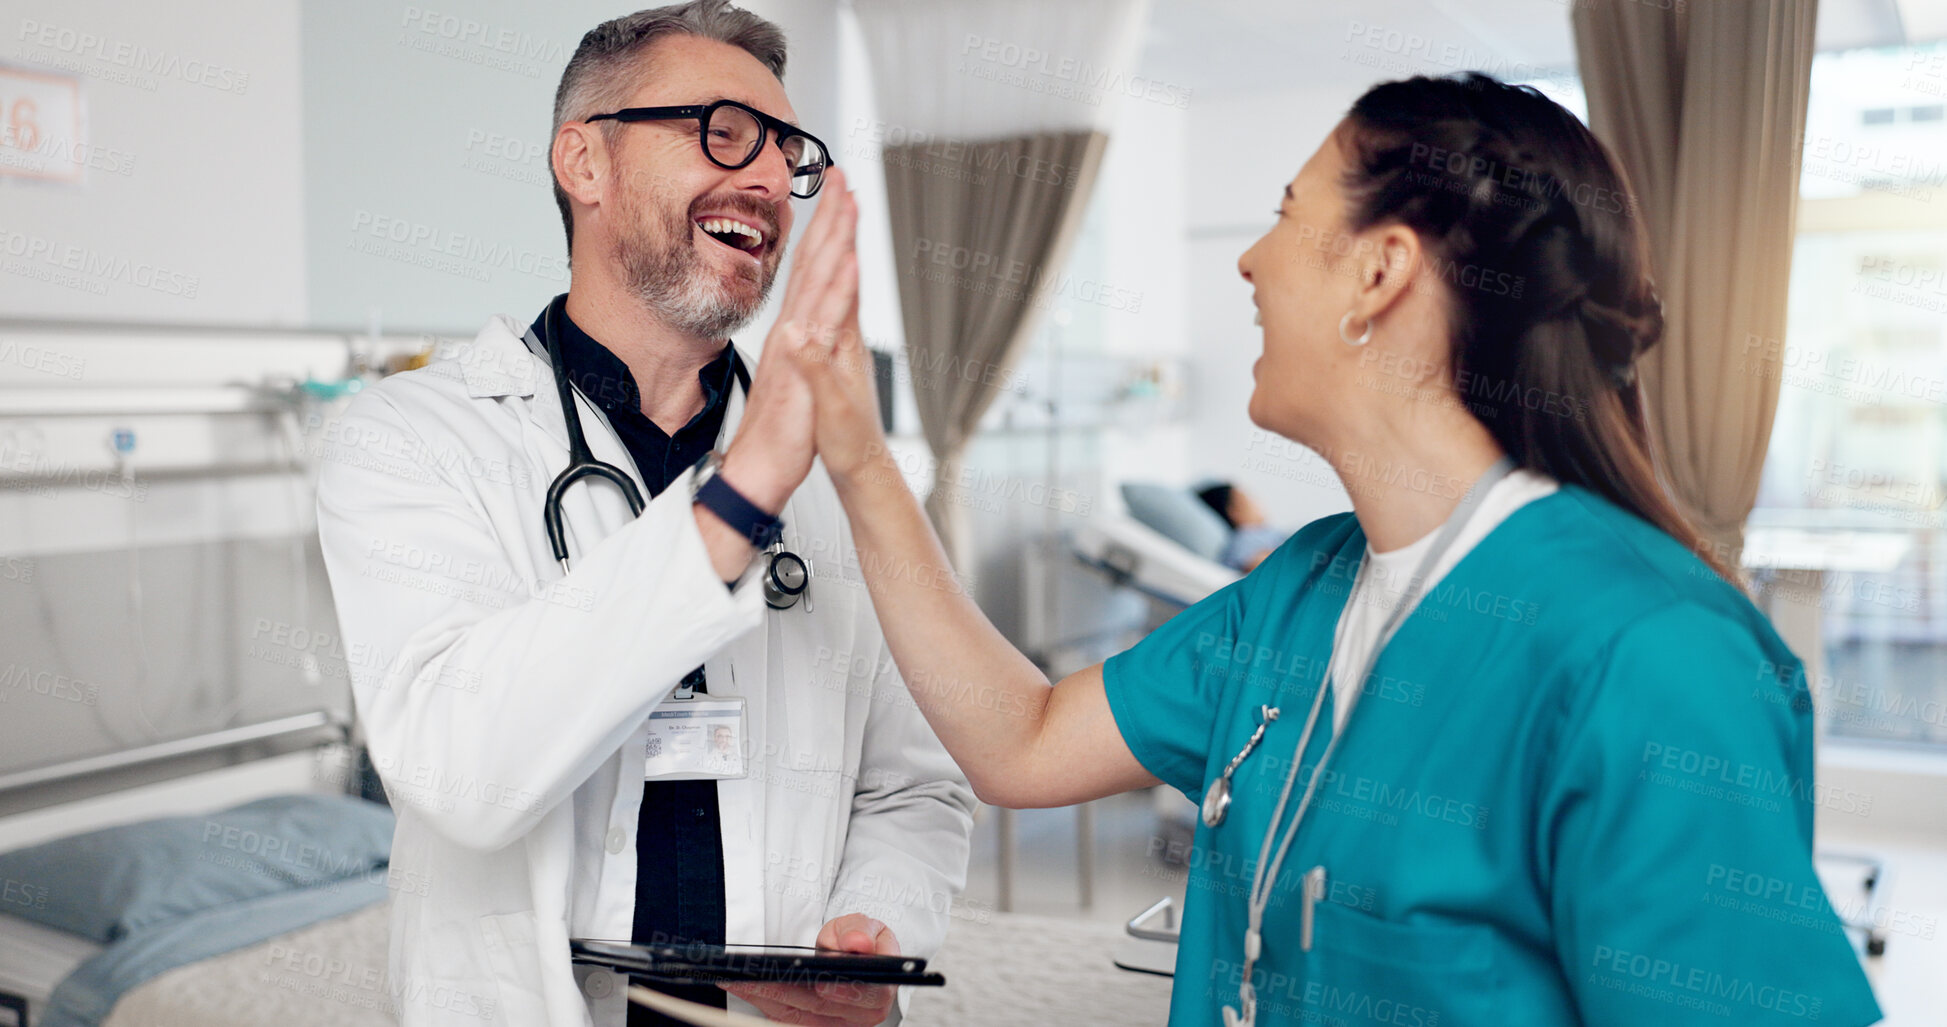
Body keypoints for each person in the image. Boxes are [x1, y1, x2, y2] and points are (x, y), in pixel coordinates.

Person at [783, 73, 1883, 1026]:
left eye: (1285, 213)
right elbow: (1019, 742)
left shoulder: (1651, 658)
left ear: (1381, 274)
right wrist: (861, 459)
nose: (1251, 262)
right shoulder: (1300, 589)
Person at [314, 4, 973, 1026]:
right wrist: (741, 493)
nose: (766, 177)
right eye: (723, 131)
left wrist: (873, 929)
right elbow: (459, 771)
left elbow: (914, 788)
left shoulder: (844, 468)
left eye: (786, 151)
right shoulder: (410, 437)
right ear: (584, 161)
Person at [1194, 482, 1288, 572]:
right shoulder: (1245, 538)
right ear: (1233, 512)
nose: (1255, 502)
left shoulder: (1263, 532)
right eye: (1246, 498)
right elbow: (1258, 565)